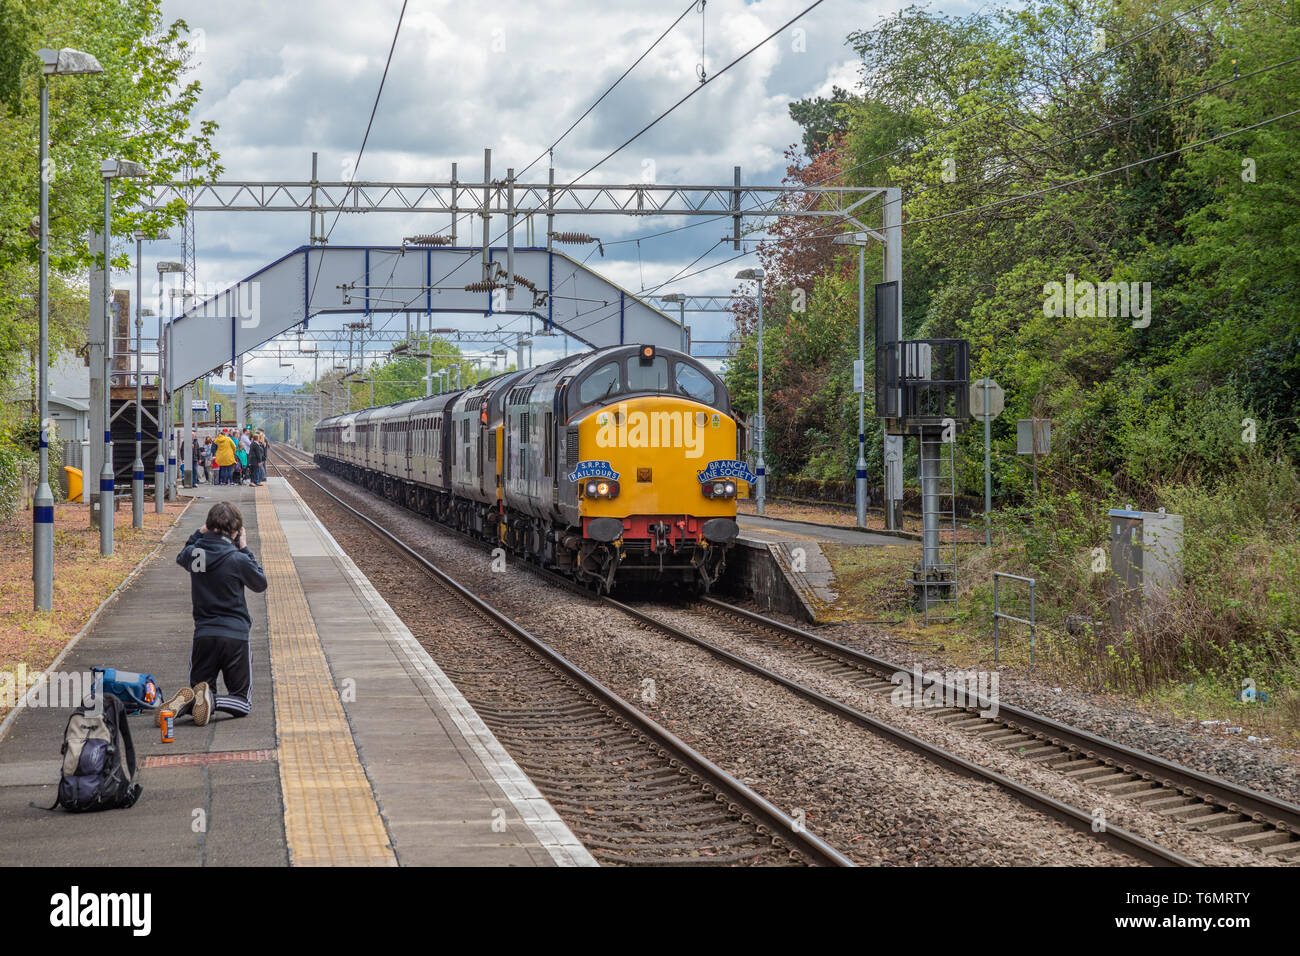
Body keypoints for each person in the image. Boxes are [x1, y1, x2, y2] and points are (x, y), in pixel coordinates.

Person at [163, 501, 267, 725]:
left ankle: (187, 703)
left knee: (199, 692)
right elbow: (260, 583)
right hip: (235, 637)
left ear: (208, 526)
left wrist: (198, 534)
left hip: (204, 636)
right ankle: (212, 701)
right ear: (235, 531)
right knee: (242, 701)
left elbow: (182, 555)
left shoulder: (195, 554)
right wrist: (245, 547)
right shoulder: (238, 559)